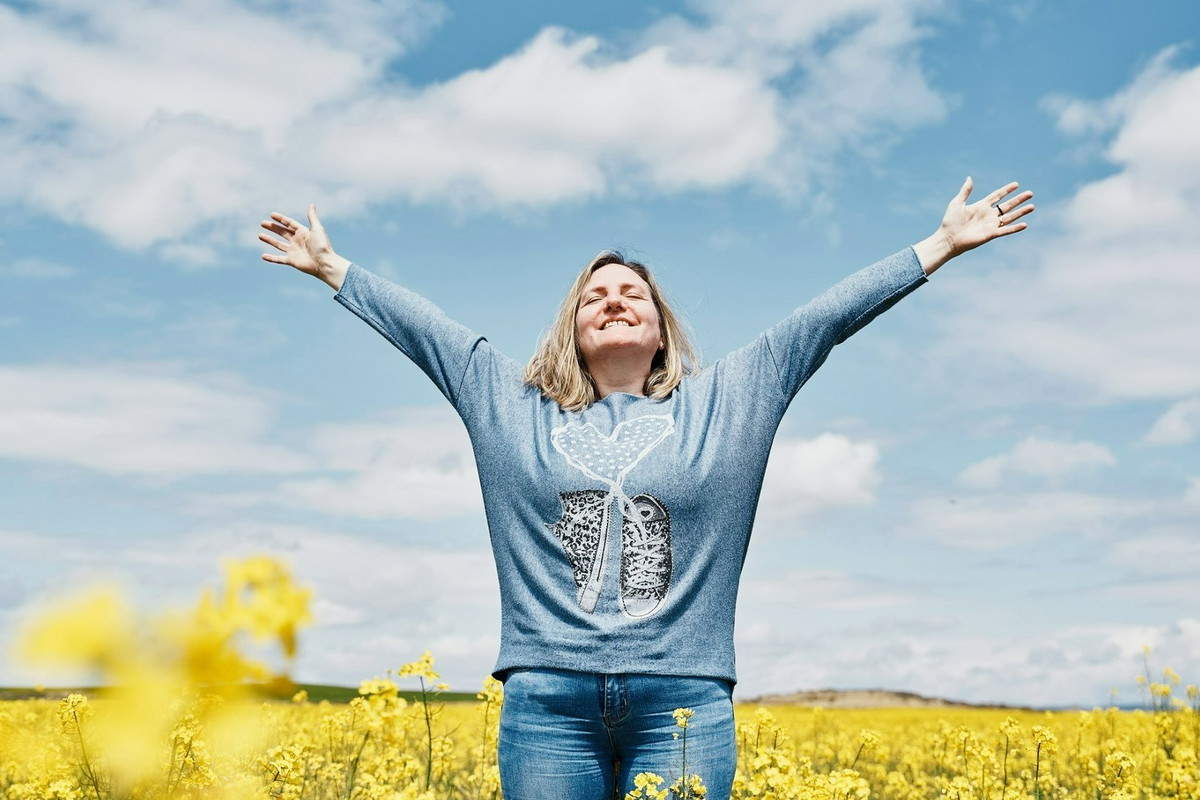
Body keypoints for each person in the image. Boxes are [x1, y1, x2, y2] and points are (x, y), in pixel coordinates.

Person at [258, 177, 1033, 799]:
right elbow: (428, 330)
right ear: (573, 329)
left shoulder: (732, 399)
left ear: (660, 327)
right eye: (594, 297)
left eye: (632, 293)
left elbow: (822, 319)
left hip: (685, 705)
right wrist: (331, 267)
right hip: (545, 705)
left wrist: (939, 246)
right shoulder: (509, 405)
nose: (614, 300)